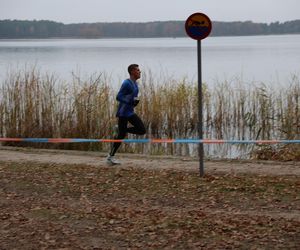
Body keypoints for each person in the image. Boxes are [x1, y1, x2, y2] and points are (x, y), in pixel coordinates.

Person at [106, 64, 146, 165]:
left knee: (142, 130)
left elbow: (131, 98)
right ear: (132, 72)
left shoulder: (135, 84)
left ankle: (120, 129)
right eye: (137, 70)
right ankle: (110, 157)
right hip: (123, 112)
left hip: (130, 112)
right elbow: (119, 96)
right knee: (120, 136)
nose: (140, 72)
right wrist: (129, 102)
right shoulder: (126, 83)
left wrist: (134, 102)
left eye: (139, 70)